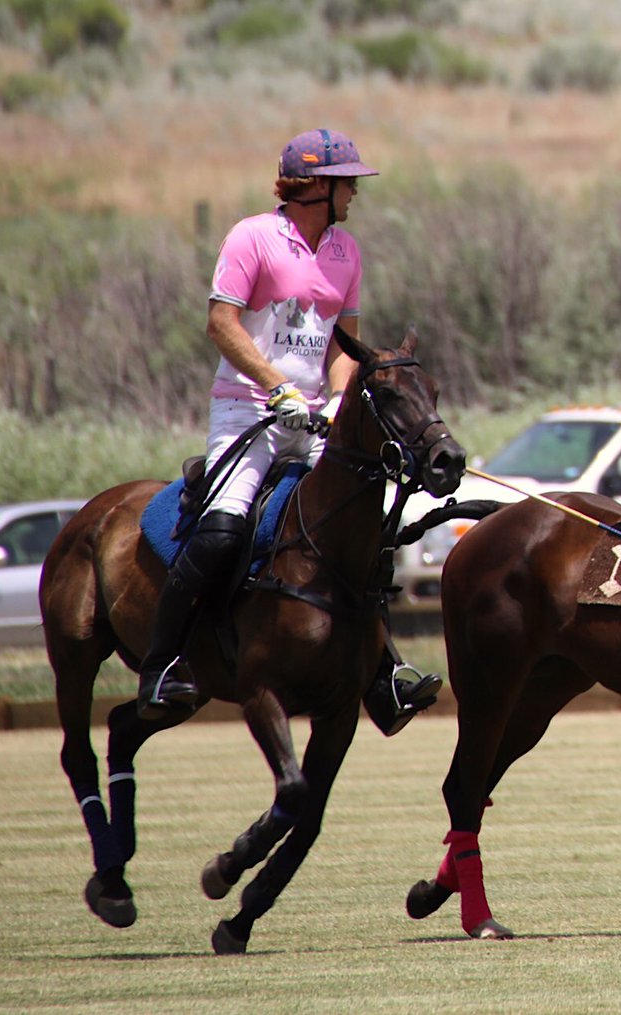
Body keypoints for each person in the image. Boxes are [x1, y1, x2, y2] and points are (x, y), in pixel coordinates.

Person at [137, 129, 439, 730]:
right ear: (316, 186)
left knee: (362, 530)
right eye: (346, 182)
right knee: (223, 529)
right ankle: (163, 664)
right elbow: (221, 324)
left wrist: (337, 398)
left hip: (315, 416)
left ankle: (383, 674)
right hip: (247, 409)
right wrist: (277, 387)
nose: (354, 192)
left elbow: (343, 343)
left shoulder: (346, 251)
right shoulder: (251, 237)